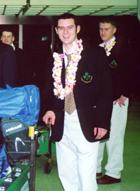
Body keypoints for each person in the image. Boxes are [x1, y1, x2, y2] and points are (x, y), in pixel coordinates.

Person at [42, 13, 113, 191]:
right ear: (57, 31)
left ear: (77, 29)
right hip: (61, 121)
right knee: (66, 172)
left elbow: (106, 90)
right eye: (62, 28)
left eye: (70, 27)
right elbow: (48, 87)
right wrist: (49, 109)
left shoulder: (94, 53)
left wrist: (102, 122)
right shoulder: (54, 57)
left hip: (86, 119)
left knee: (86, 172)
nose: (66, 32)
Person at [96, 18, 131, 184]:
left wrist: (125, 93)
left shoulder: (123, 47)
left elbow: (132, 71)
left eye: (106, 29)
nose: (103, 32)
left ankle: (114, 173)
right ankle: (95, 168)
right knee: (99, 134)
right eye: (101, 29)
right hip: (102, 99)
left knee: (115, 136)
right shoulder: (98, 48)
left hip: (118, 99)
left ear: (114, 30)